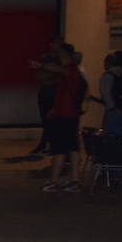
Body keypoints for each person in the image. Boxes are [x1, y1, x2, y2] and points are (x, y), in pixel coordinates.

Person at [42, 42, 88, 193]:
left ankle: (54, 181)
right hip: (70, 115)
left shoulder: (71, 70)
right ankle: (75, 180)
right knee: (72, 147)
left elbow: (58, 71)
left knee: (60, 149)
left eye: (59, 53)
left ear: (64, 54)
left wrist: (40, 65)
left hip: (66, 115)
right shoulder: (71, 71)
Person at [94, 51, 122, 139]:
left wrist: (114, 108)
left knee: (112, 140)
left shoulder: (107, 76)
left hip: (114, 113)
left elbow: (106, 95)